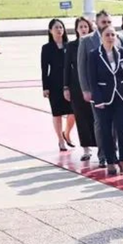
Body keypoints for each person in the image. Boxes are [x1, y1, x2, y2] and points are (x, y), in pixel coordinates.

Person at [77, 10, 123, 168]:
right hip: (100, 92)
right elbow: (82, 67)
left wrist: (121, 74)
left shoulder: (119, 37)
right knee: (102, 125)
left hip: (120, 91)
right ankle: (104, 156)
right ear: (96, 23)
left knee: (121, 127)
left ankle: (122, 160)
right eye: (103, 23)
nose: (107, 26)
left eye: (109, 22)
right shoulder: (87, 40)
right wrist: (86, 89)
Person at [88, 25, 123, 176]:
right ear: (102, 37)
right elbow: (92, 79)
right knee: (106, 131)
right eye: (107, 35)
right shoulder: (94, 54)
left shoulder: (121, 52)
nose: (110, 37)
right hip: (104, 99)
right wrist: (98, 99)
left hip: (121, 97)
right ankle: (110, 161)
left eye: (113, 35)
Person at [63, 17, 97, 161]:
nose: (83, 29)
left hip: (94, 86)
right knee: (81, 118)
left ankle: (100, 146)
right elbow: (66, 68)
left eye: (85, 26)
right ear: (76, 29)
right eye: (80, 27)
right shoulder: (71, 46)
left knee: (96, 118)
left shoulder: (94, 43)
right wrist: (66, 87)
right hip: (77, 87)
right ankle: (86, 149)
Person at [41, 19, 75, 152]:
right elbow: (44, 68)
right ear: (50, 31)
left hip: (69, 82)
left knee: (73, 112)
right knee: (57, 113)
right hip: (54, 83)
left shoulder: (69, 45)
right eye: (56, 28)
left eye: (61, 27)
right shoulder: (47, 48)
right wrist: (45, 87)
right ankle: (60, 140)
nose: (59, 30)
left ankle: (66, 133)